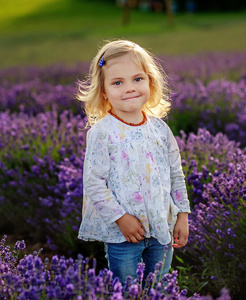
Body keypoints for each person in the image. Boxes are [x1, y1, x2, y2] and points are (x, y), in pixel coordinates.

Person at [77, 39, 190, 284]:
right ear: (104, 91)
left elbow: (175, 174)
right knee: (127, 291)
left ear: (150, 81)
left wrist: (182, 215)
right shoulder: (102, 133)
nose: (129, 88)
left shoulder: (160, 129)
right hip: (123, 236)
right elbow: (95, 183)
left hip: (162, 230)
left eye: (137, 79)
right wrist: (121, 218)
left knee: (156, 289)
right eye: (118, 82)